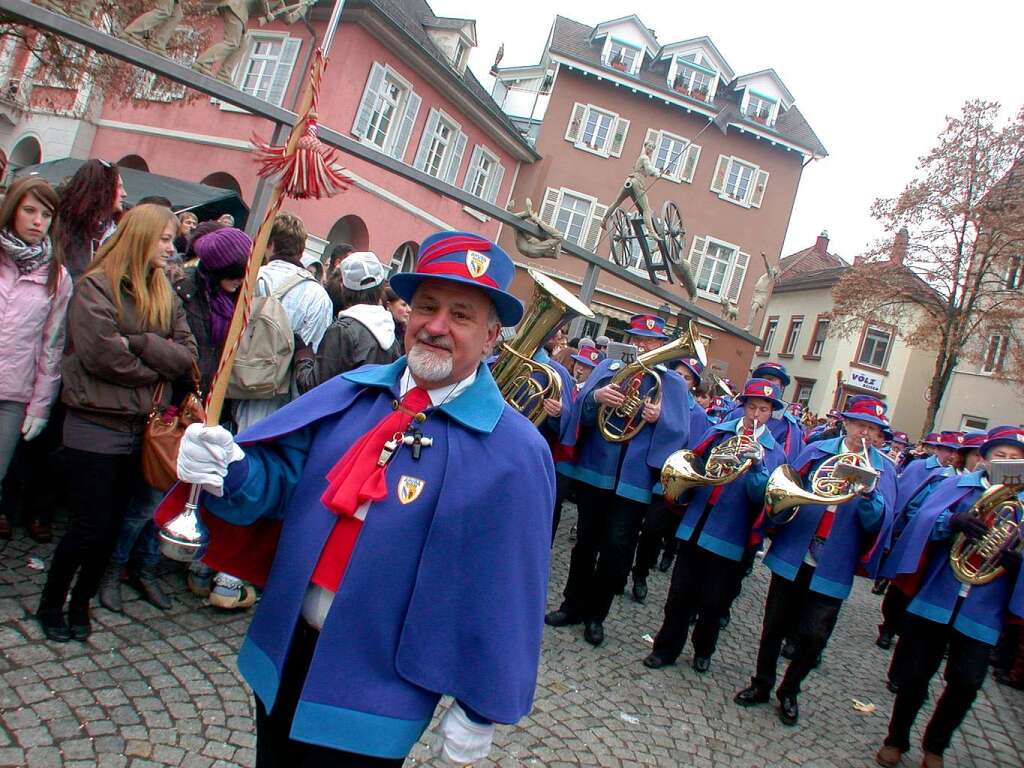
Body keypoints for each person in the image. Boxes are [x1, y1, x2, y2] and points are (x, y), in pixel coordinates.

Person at [162, 230, 554, 766]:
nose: (436, 326)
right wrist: (228, 471)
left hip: (380, 684)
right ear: (405, 314)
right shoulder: (351, 394)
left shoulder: (516, 452)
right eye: (426, 307)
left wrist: (480, 707)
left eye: (461, 315)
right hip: (287, 648)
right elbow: (275, 487)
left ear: (490, 338)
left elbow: (508, 588)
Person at [36, 204, 197, 642]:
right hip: (93, 423)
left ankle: (81, 603)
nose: (171, 246)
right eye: (163, 239)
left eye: (171, 239)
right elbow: (100, 354)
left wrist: (141, 342)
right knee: (89, 523)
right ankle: (52, 602)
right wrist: (156, 365)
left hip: (140, 428)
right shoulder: (97, 285)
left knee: (112, 527)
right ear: (140, 237)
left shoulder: (163, 289)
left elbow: (187, 354)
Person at [734, 396, 895, 726]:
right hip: (798, 549)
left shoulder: (883, 470)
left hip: (834, 561)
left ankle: (790, 690)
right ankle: (761, 683)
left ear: (879, 435)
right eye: (860, 425)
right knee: (774, 625)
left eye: (872, 429)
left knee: (813, 637)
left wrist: (869, 496)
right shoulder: (818, 451)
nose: (865, 433)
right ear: (846, 424)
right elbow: (786, 487)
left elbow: (878, 524)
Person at [875, 426, 1024, 768]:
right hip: (938, 594)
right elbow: (922, 520)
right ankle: (896, 739)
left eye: (1016, 460)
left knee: (967, 682)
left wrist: (1018, 563)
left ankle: (935, 747)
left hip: (984, 608)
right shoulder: (958, 486)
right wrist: (951, 521)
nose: (1007, 463)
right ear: (983, 459)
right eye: (1000, 456)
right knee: (914, 674)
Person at [546, 314, 689, 646]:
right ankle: (571, 605)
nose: (643, 346)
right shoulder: (608, 369)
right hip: (596, 471)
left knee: (616, 550)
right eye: (637, 339)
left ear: (661, 345)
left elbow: (680, 435)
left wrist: (659, 418)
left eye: (650, 341)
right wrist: (596, 399)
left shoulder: (673, 385)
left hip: (635, 481)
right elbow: (579, 414)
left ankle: (597, 615)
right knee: (585, 543)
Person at [645, 378, 788, 672]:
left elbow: (763, 497)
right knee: (679, 593)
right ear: (743, 407)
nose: (755, 415)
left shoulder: (774, 453)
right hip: (698, 521)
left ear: (770, 413)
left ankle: (703, 649)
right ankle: (665, 648)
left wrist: (757, 467)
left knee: (713, 600)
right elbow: (694, 466)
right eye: (751, 407)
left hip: (731, 533)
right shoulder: (720, 433)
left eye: (763, 409)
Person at [0, 178, 71, 541]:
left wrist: (40, 406)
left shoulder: (56, 276)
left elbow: (51, 346)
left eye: (46, 214)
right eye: (29, 210)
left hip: (13, 393)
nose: (37, 220)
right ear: (12, 208)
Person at [232, 212, 332, 433]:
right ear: (301, 249)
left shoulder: (251, 278)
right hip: (280, 401)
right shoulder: (318, 295)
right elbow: (310, 356)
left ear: (271, 244)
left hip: (235, 387)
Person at [631, 356, 710, 596]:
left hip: (665, 482)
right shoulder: (656, 396)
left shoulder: (698, 414)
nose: (680, 380)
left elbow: (693, 451)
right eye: (677, 374)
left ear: (694, 384)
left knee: (652, 530)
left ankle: (640, 574)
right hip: (640, 472)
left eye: (687, 378)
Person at [874, 430, 960, 651]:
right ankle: (888, 627)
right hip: (915, 537)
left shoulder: (963, 479)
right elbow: (904, 502)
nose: (952, 455)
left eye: (956, 452)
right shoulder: (921, 468)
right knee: (901, 587)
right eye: (948, 449)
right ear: (938, 449)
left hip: (946, 547)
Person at [294, 252, 399, 393]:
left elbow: (314, 388)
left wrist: (303, 356)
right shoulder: (391, 334)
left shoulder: (342, 331)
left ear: (343, 287)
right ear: (381, 287)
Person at [54, 159, 126, 281]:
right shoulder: (63, 229)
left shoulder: (116, 236)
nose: (124, 194)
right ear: (101, 189)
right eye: (119, 187)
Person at [383, 284, 410, 353]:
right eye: (404, 305)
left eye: (410, 305)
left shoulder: (404, 328)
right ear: (388, 305)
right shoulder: (384, 333)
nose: (409, 309)